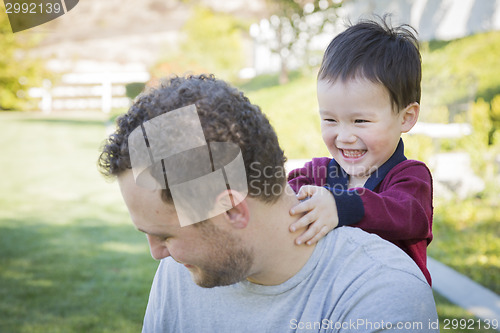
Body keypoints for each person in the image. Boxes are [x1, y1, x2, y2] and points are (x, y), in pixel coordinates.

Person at [98, 74, 438, 332]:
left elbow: (410, 212)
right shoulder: (179, 271)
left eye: (165, 235)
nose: (157, 252)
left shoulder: (381, 294)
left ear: (232, 209)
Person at [287, 17, 434, 285]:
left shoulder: (410, 178)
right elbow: (283, 196)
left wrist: (340, 206)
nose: (344, 137)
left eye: (360, 121)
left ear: (406, 117)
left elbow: (407, 216)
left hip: (389, 307)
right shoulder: (317, 174)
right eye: (330, 120)